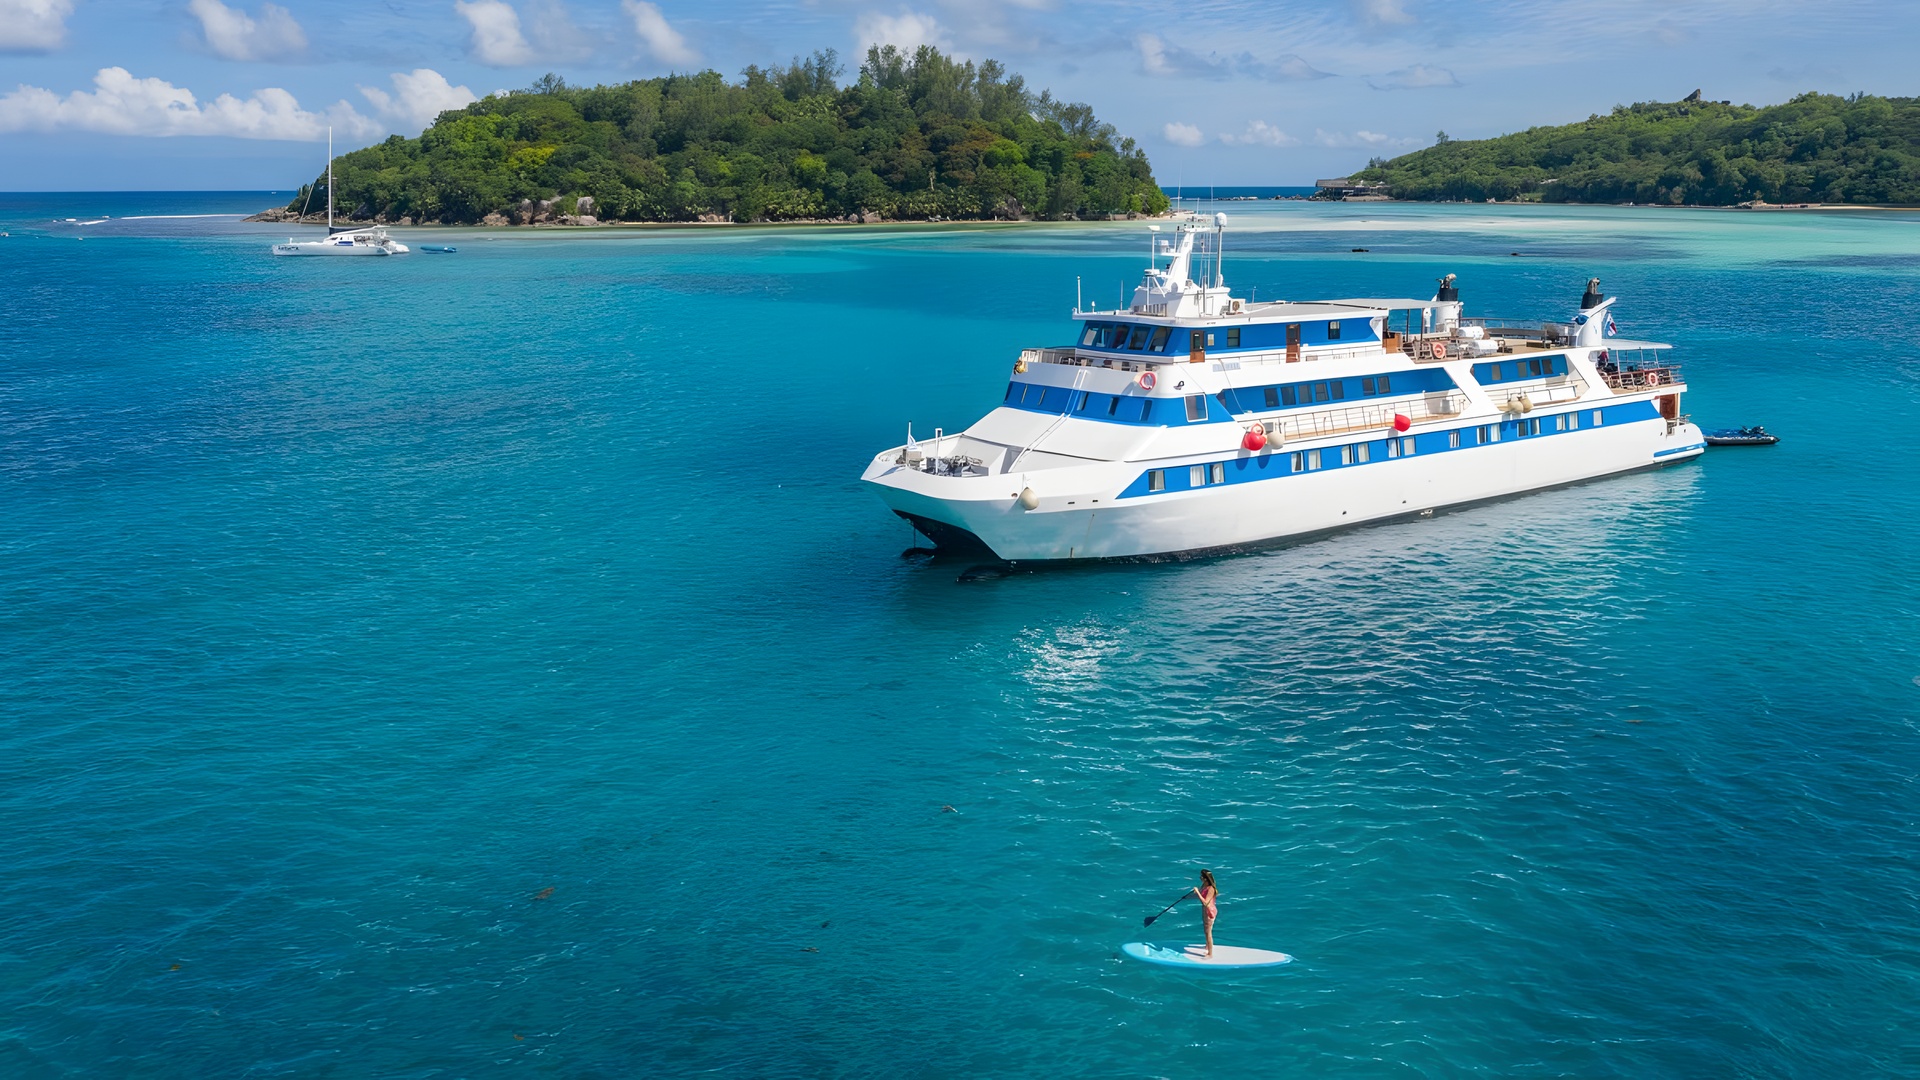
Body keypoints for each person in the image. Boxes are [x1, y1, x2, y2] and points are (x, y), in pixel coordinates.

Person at [1191, 870, 1219, 957]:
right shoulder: (1204, 886)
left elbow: (1205, 903)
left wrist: (1197, 892)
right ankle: (1207, 946)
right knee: (1206, 930)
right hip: (1204, 911)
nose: (1200, 878)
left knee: (1208, 932)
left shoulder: (1211, 889)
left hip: (1209, 911)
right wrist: (1187, 897)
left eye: (1202, 876)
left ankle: (1210, 954)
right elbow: (1199, 895)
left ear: (1206, 878)